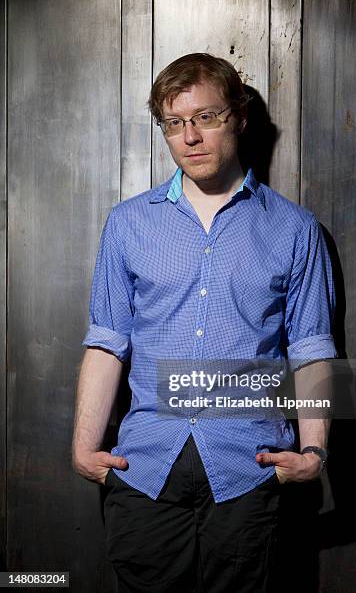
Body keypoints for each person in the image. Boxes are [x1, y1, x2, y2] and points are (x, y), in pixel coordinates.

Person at [72, 53, 337, 593]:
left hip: (248, 468)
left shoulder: (293, 229)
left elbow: (310, 347)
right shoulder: (128, 224)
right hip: (143, 468)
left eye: (206, 117)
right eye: (174, 123)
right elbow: (107, 343)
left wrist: (313, 452)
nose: (190, 136)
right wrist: (82, 446)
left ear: (238, 117)